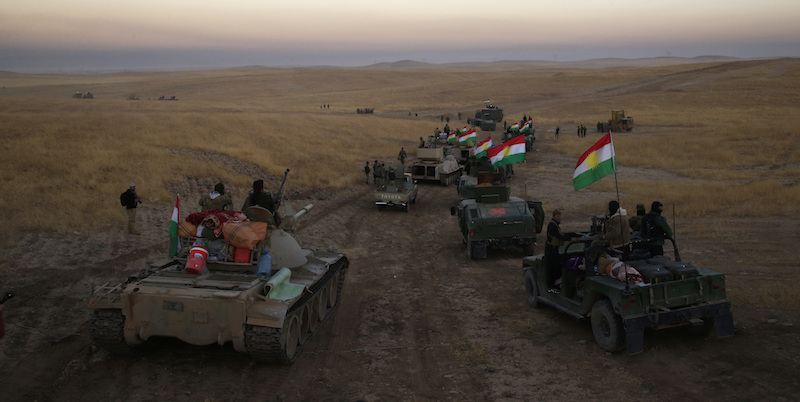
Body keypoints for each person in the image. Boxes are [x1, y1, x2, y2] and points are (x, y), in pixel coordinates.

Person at [545, 210, 579, 292]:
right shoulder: (552, 225)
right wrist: (570, 239)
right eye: (557, 216)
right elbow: (558, 236)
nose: (559, 218)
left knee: (556, 267)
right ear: (553, 217)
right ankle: (552, 287)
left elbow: (558, 234)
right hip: (551, 250)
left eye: (560, 216)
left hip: (554, 249)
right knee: (553, 268)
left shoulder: (555, 225)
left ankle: (555, 285)